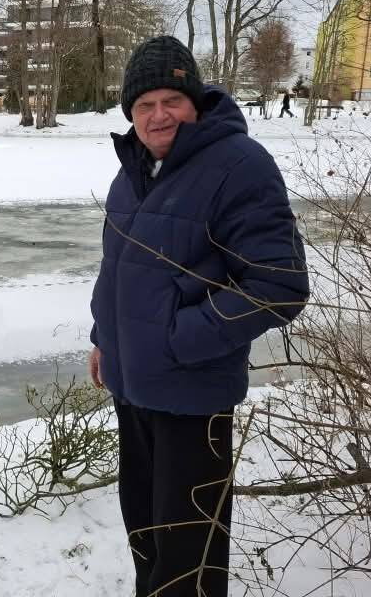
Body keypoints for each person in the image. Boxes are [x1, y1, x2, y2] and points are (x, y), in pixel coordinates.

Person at [88, 35, 309, 597]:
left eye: (171, 101)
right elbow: (117, 268)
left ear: (196, 101)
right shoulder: (134, 169)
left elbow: (277, 286)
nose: (158, 115)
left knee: (190, 550)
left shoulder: (239, 164)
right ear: (131, 113)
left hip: (192, 393)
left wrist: (175, 341)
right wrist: (103, 338)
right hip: (132, 385)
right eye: (144, 105)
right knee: (146, 531)